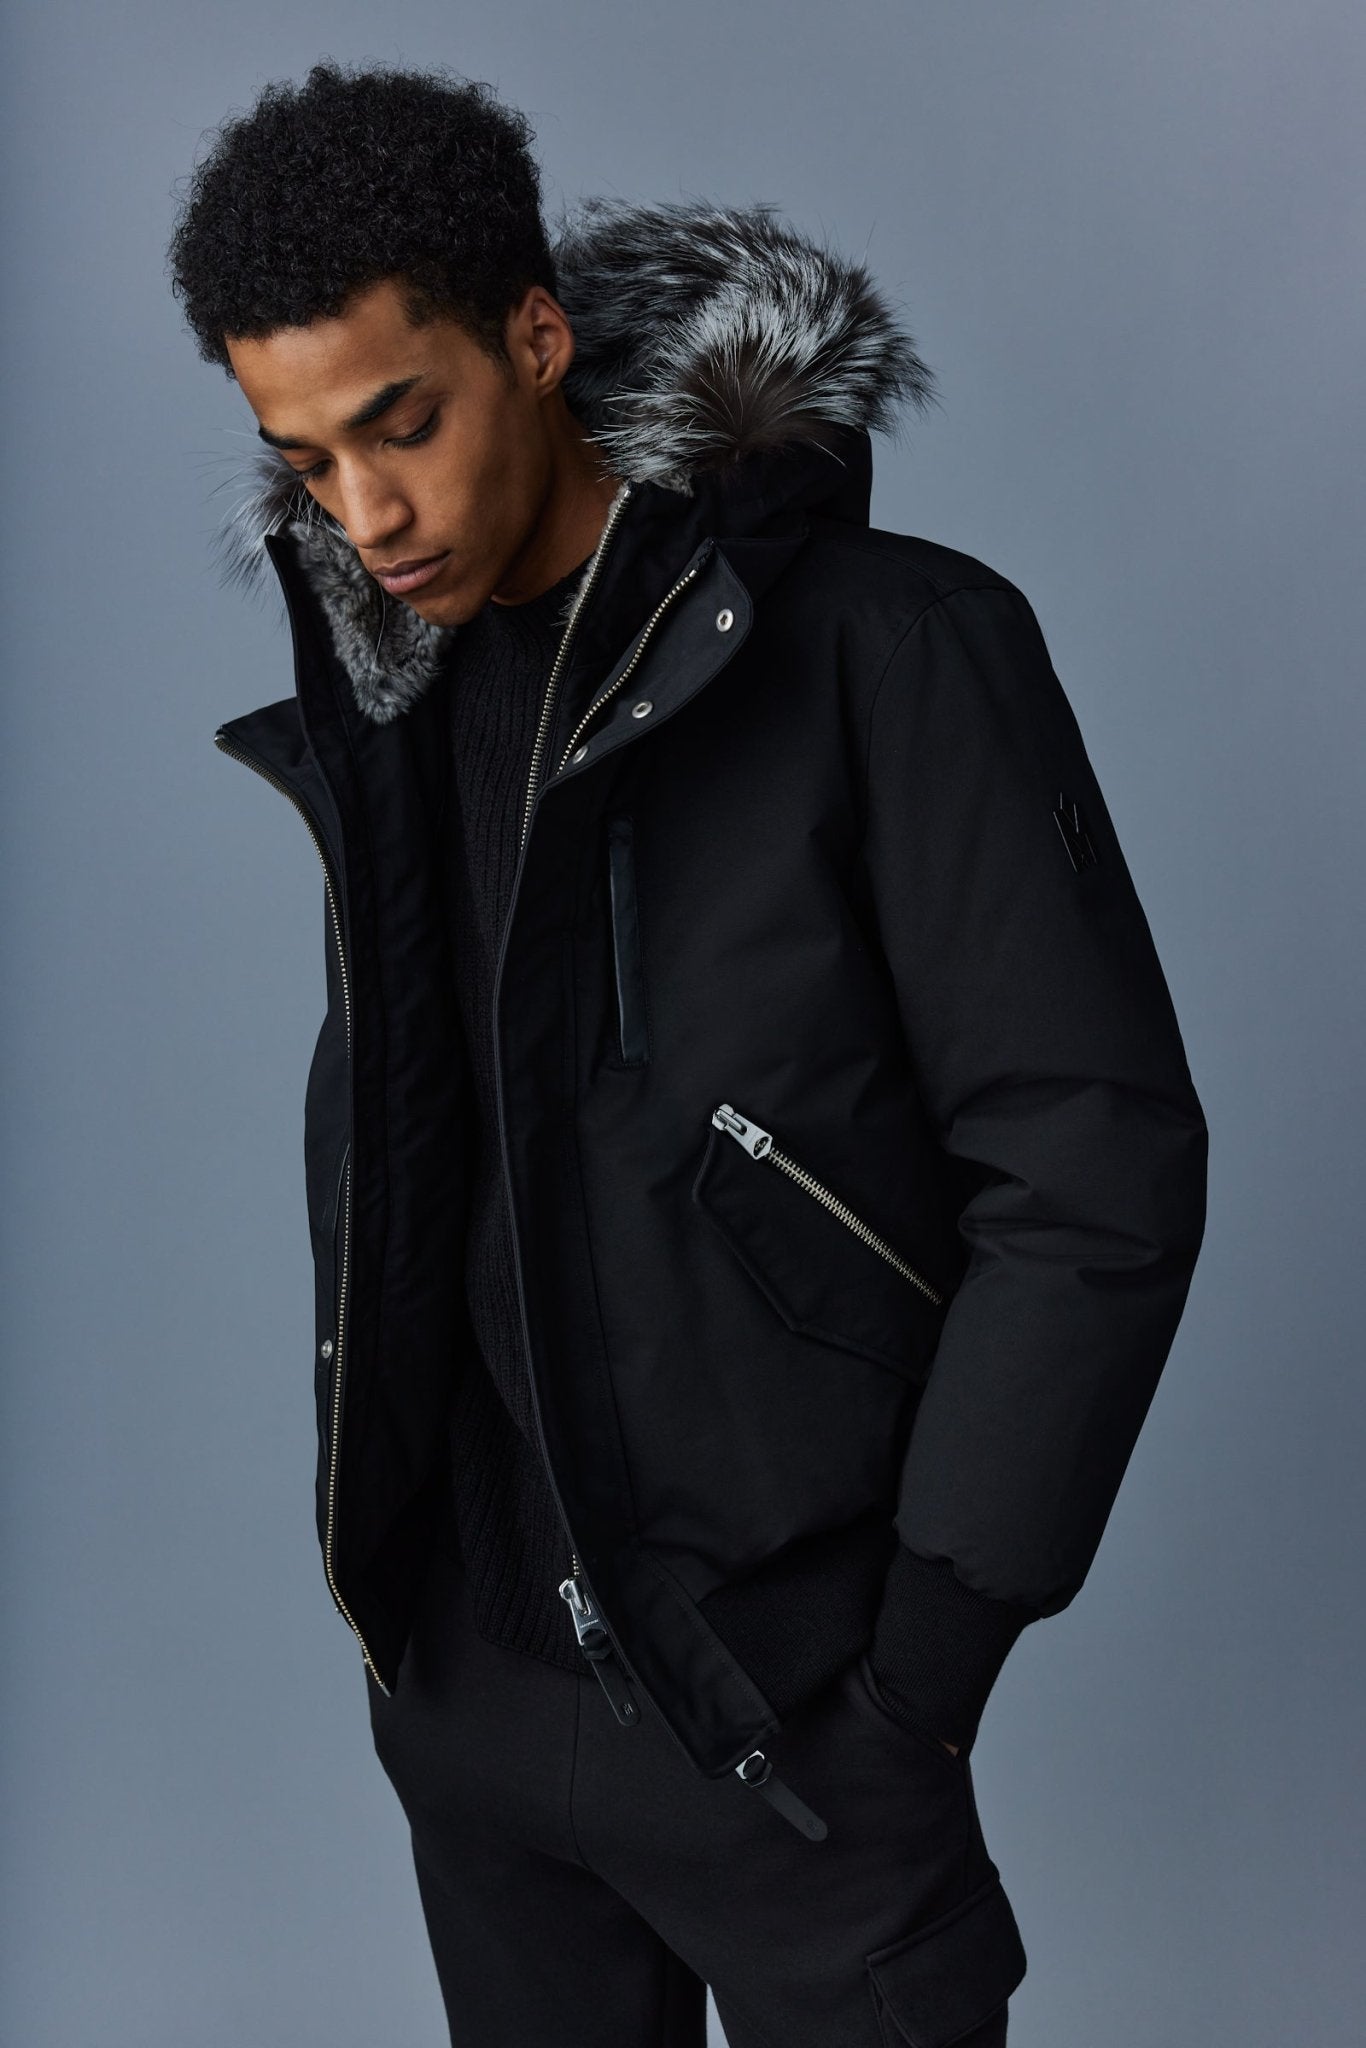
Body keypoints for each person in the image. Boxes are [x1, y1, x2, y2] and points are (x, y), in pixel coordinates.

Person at [169, 59, 1209, 2048]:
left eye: (401, 423)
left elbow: (1092, 1165)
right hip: (471, 1714)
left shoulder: (892, 649)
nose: (364, 516)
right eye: (303, 461)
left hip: (794, 1729)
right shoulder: (391, 712)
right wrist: (406, 1627)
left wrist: (923, 1657)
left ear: (533, 338)